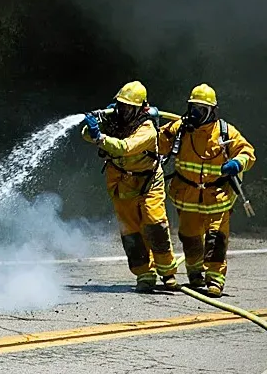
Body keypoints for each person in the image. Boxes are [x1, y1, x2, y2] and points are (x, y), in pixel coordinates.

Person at [157, 84, 255, 298]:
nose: (195, 113)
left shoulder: (225, 132)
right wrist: (145, 118)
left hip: (217, 198)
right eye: (193, 108)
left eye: (201, 109)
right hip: (187, 197)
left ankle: (215, 281)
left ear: (212, 110)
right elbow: (156, 142)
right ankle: (195, 275)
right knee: (190, 238)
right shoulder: (180, 129)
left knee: (216, 239)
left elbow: (247, 152)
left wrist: (238, 163)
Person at [82, 81, 178, 293]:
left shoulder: (147, 130)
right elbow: (86, 135)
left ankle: (167, 272)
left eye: (128, 107)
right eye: (121, 105)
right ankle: (144, 274)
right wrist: (95, 125)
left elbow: (125, 148)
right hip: (121, 182)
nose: (123, 110)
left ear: (140, 109)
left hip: (148, 182)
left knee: (155, 223)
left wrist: (100, 136)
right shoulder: (115, 122)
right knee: (131, 232)